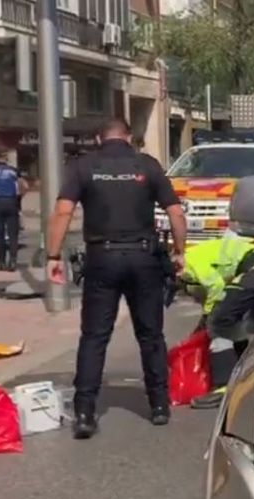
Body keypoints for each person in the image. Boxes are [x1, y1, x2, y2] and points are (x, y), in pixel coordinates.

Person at [44, 118, 188, 439]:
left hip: (102, 259)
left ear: (99, 137)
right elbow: (176, 213)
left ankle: (84, 412)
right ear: (129, 138)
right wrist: (179, 252)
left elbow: (62, 212)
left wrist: (53, 256)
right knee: (150, 334)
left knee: (95, 336)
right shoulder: (147, 166)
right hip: (144, 258)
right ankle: (159, 405)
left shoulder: (84, 166)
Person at [177, 233, 254, 409]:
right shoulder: (198, 254)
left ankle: (224, 386)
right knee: (234, 324)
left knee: (219, 322)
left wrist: (208, 317)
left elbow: (215, 286)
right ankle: (242, 377)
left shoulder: (189, 263)